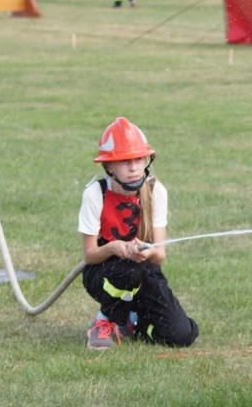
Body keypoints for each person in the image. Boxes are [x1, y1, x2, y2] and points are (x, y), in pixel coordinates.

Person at [80, 117, 200, 350]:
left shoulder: (156, 191)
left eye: (138, 159)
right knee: (129, 271)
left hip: (145, 272)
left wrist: (148, 253)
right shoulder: (96, 193)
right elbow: (89, 255)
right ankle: (105, 321)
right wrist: (115, 247)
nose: (134, 167)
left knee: (181, 334)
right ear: (109, 166)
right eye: (125, 161)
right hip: (104, 273)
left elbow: (160, 255)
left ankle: (133, 323)